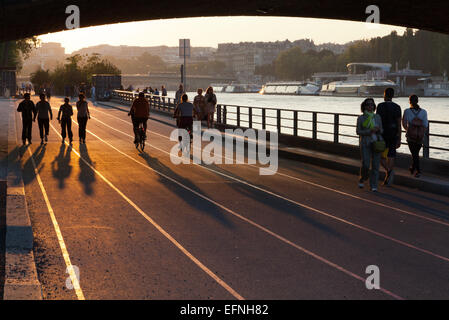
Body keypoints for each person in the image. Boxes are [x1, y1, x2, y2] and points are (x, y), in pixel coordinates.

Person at [376, 87, 402, 186]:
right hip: (393, 134)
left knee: (379, 156)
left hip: (382, 134)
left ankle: (389, 172)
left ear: (384, 95)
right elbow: (399, 124)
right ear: (393, 96)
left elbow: (377, 121)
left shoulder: (380, 106)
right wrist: (399, 138)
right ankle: (389, 175)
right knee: (391, 156)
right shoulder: (397, 107)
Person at [357, 98, 383, 192]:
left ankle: (374, 185)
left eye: (372, 105)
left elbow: (382, 130)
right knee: (366, 164)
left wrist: (378, 130)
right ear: (364, 106)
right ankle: (362, 178)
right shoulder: (361, 118)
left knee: (376, 165)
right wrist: (369, 131)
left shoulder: (377, 117)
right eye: (368, 105)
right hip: (365, 143)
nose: (370, 106)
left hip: (376, 143)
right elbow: (358, 131)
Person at [402, 95, 428, 178]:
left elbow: (404, 123)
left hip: (410, 136)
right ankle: (413, 168)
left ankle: (418, 171)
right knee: (415, 153)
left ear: (409, 101)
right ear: (418, 101)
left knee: (414, 154)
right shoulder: (424, 111)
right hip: (420, 136)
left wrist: (408, 130)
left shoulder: (407, 111)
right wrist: (421, 133)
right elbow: (425, 125)